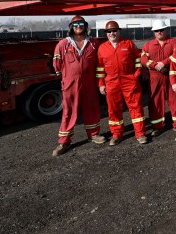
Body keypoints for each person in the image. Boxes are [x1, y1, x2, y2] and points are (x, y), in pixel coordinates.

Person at [51, 15, 106, 156]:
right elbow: (57, 66)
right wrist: (67, 77)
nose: (78, 26)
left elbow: (100, 61)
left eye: (81, 23)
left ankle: (93, 134)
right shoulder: (63, 44)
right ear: (71, 27)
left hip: (89, 82)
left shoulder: (93, 43)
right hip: (70, 83)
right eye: (75, 24)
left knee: (91, 108)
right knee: (69, 111)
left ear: (86, 26)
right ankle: (64, 141)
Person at [96, 21, 148, 145]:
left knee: (136, 107)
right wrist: (101, 84)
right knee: (113, 110)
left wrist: (136, 74)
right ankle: (116, 134)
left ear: (119, 31)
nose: (112, 33)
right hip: (111, 82)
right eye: (109, 31)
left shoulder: (128, 43)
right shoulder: (102, 48)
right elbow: (99, 68)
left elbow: (138, 58)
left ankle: (140, 134)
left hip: (129, 81)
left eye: (114, 31)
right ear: (106, 33)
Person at [141, 20, 176, 136]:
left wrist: (164, 63)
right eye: (157, 31)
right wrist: (154, 65)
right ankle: (157, 126)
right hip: (155, 76)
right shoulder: (148, 45)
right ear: (154, 32)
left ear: (165, 30)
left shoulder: (174, 42)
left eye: (161, 30)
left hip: (170, 74)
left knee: (175, 100)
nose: (159, 32)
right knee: (155, 102)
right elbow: (143, 59)